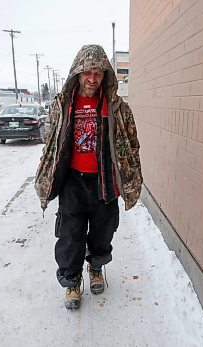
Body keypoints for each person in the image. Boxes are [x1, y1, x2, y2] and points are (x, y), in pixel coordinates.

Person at [35, 45, 143, 310]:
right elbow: (49, 141)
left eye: (98, 72)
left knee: (103, 232)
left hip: (104, 180)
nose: (92, 79)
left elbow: (132, 143)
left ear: (105, 75)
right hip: (73, 180)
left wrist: (129, 175)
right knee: (70, 234)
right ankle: (72, 281)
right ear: (77, 74)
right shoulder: (62, 106)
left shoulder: (118, 108)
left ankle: (95, 267)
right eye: (87, 73)